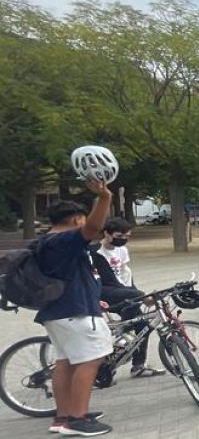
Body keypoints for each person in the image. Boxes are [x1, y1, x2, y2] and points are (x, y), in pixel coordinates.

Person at [36, 181, 114, 436]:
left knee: (66, 362)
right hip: (75, 311)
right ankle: (77, 420)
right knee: (90, 360)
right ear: (76, 219)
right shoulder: (64, 240)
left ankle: (63, 417)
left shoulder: (46, 242)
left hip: (59, 312)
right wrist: (104, 197)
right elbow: (93, 228)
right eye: (82, 219)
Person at [88, 220, 166, 380]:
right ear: (106, 233)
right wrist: (139, 295)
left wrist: (136, 294)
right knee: (132, 316)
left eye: (126, 236)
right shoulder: (95, 252)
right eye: (119, 235)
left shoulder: (122, 250)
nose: (123, 239)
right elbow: (109, 280)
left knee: (143, 325)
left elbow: (126, 275)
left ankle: (138, 366)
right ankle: (123, 334)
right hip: (103, 291)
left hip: (123, 292)